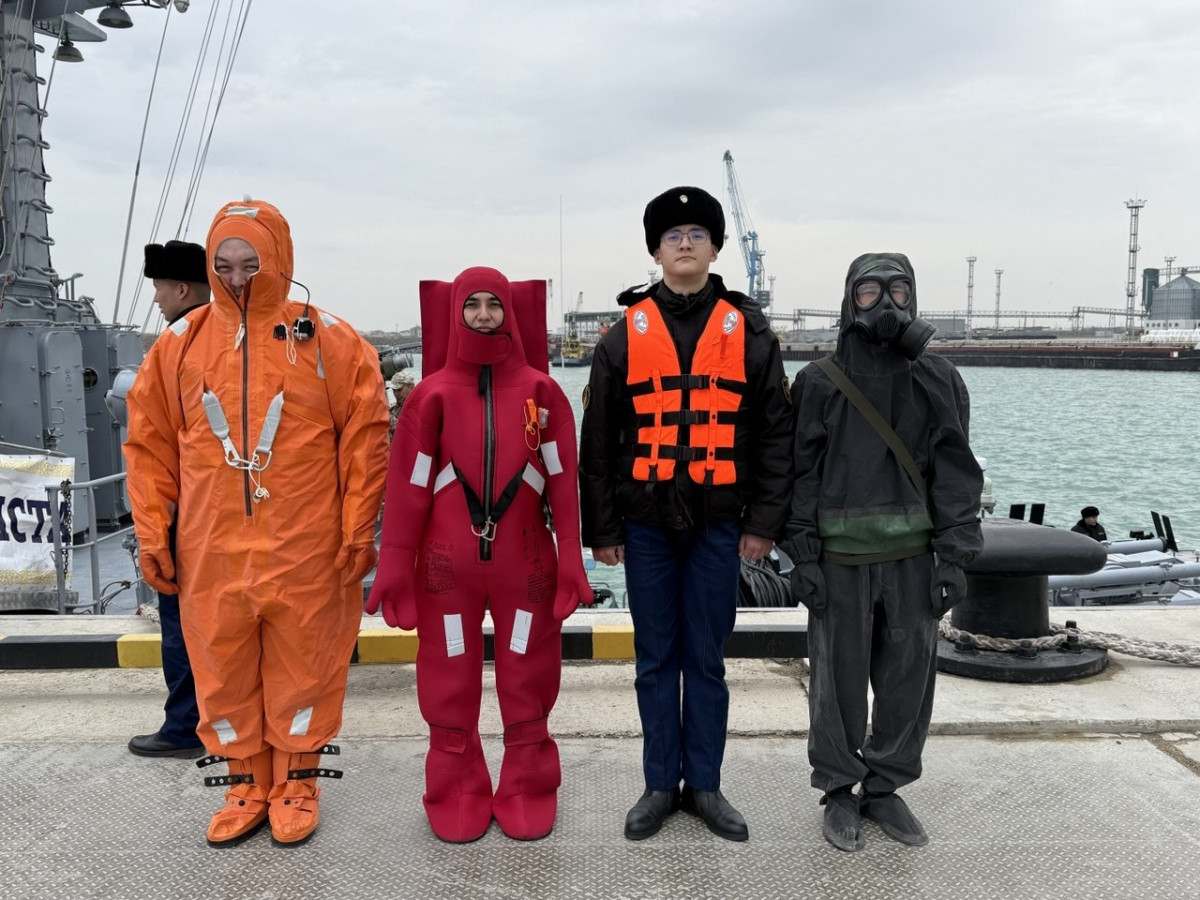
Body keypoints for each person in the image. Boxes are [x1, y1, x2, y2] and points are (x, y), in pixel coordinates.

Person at [123, 199, 389, 847]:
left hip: (307, 548)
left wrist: (359, 529)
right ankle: (244, 785)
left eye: (251, 264)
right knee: (222, 671)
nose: (238, 278)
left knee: (307, 666)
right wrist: (153, 532)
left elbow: (365, 439)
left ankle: (298, 784)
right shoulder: (179, 346)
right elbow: (149, 445)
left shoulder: (329, 341)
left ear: (278, 261)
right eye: (224, 266)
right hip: (212, 549)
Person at [579, 187, 793, 842]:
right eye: (672, 235)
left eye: (698, 233)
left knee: (705, 659)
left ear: (716, 248)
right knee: (654, 659)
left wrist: (763, 523)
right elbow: (598, 441)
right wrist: (603, 529)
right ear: (655, 251)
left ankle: (704, 785)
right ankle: (657, 785)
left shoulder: (750, 332)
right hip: (645, 525)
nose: (685, 243)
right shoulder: (622, 337)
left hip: (719, 522)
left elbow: (775, 436)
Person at [367, 266, 592, 843]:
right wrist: (394, 564)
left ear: (510, 311)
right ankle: (456, 784)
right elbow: (409, 485)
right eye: (473, 305)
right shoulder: (431, 396)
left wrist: (572, 556)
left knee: (528, 672)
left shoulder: (543, 394)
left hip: (526, 566)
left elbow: (563, 480)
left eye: (495, 304)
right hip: (447, 571)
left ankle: (528, 782)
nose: (485, 315)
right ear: (456, 312)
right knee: (448, 675)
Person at [780, 252, 983, 852]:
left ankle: (886, 787)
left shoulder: (939, 378)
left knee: (906, 683)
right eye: (870, 292)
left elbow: (956, 473)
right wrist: (803, 556)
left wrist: (954, 556)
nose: (886, 304)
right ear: (850, 300)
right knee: (835, 685)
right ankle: (839, 789)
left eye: (898, 290)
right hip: (839, 564)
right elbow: (800, 475)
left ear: (914, 298)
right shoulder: (818, 382)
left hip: (914, 561)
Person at [125, 240, 210, 759]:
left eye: (159, 287)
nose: (156, 297)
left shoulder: (173, 346)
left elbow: (152, 449)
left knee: (180, 625)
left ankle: (184, 726)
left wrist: (156, 530)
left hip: (187, 516)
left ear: (181, 289)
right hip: (233, 514)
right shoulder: (235, 340)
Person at [387, 369, 415, 442]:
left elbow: (410, 432)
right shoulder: (391, 410)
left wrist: (389, 419)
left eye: (399, 390)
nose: (396, 394)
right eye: (394, 390)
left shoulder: (421, 407)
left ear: (411, 387)